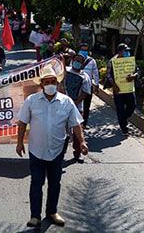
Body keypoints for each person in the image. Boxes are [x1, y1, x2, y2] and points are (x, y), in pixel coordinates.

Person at [17, 65, 88, 228]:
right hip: (36, 150)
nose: (50, 84)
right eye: (46, 82)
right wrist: (19, 142)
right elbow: (22, 122)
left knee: (55, 183)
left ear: (57, 83)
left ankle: (52, 211)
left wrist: (82, 141)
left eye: (52, 81)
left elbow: (76, 124)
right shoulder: (31, 101)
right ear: (41, 84)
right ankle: (35, 216)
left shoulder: (67, 102)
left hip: (57, 150)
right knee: (36, 182)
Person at [63, 53, 92, 162]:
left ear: (83, 64)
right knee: (62, 129)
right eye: (76, 60)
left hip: (77, 107)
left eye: (80, 61)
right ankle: (61, 151)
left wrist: (75, 103)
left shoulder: (85, 77)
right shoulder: (65, 71)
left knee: (77, 130)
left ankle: (77, 151)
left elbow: (85, 92)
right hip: (62, 106)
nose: (77, 62)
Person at [106, 43, 138, 135]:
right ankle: (124, 128)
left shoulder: (130, 60)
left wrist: (133, 76)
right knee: (120, 109)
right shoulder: (113, 61)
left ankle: (124, 119)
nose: (127, 52)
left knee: (132, 105)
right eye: (125, 51)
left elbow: (137, 71)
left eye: (128, 51)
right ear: (120, 52)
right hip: (118, 90)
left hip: (129, 89)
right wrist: (114, 85)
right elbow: (108, 74)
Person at [79, 43, 100, 125]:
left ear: (88, 51)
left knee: (86, 106)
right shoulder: (75, 60)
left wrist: (96, 85)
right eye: (82, 50)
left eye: (85, 50)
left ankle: (84, 123)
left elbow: (95, 74)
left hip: (88, 87)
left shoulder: (92, 61)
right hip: (77, 87)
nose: (83, 51)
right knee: (77, 105)